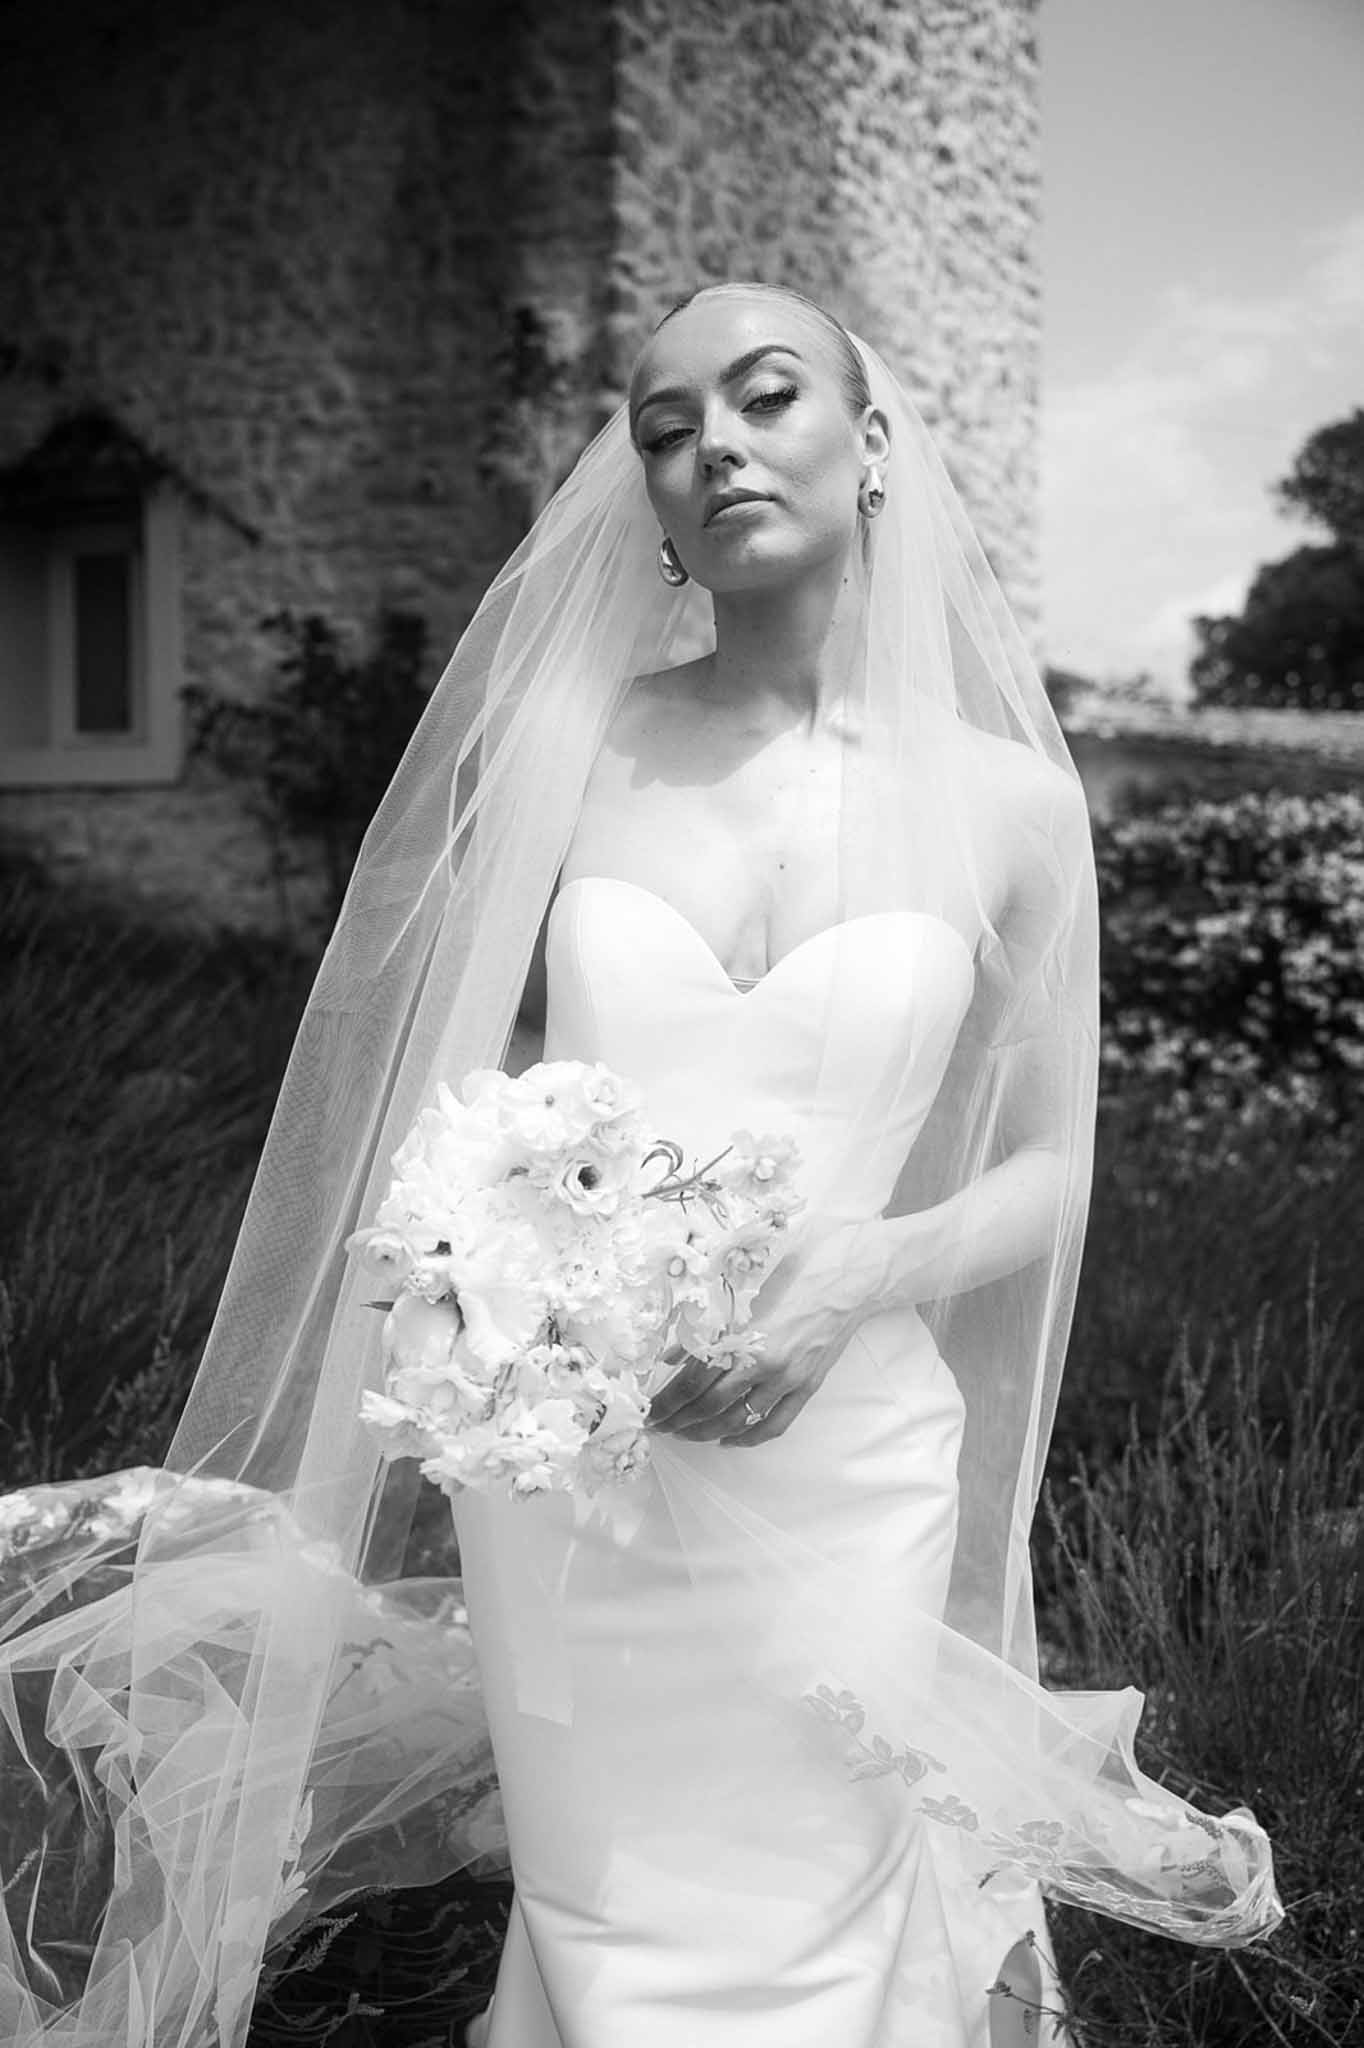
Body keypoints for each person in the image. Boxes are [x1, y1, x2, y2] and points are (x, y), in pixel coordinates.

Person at [0, 283, 1281, 2048]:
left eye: (764, 400)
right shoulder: (570, 744)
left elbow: (1053, 1168)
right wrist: (477, 1260)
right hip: (574, 1463)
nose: (711, 451)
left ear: (877, 441)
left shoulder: (1012, 805)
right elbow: (458, 1076)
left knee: (816, 1885)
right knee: (613, 1901)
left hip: (846, 1453)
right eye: (665, 429)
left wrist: (857, 1275)